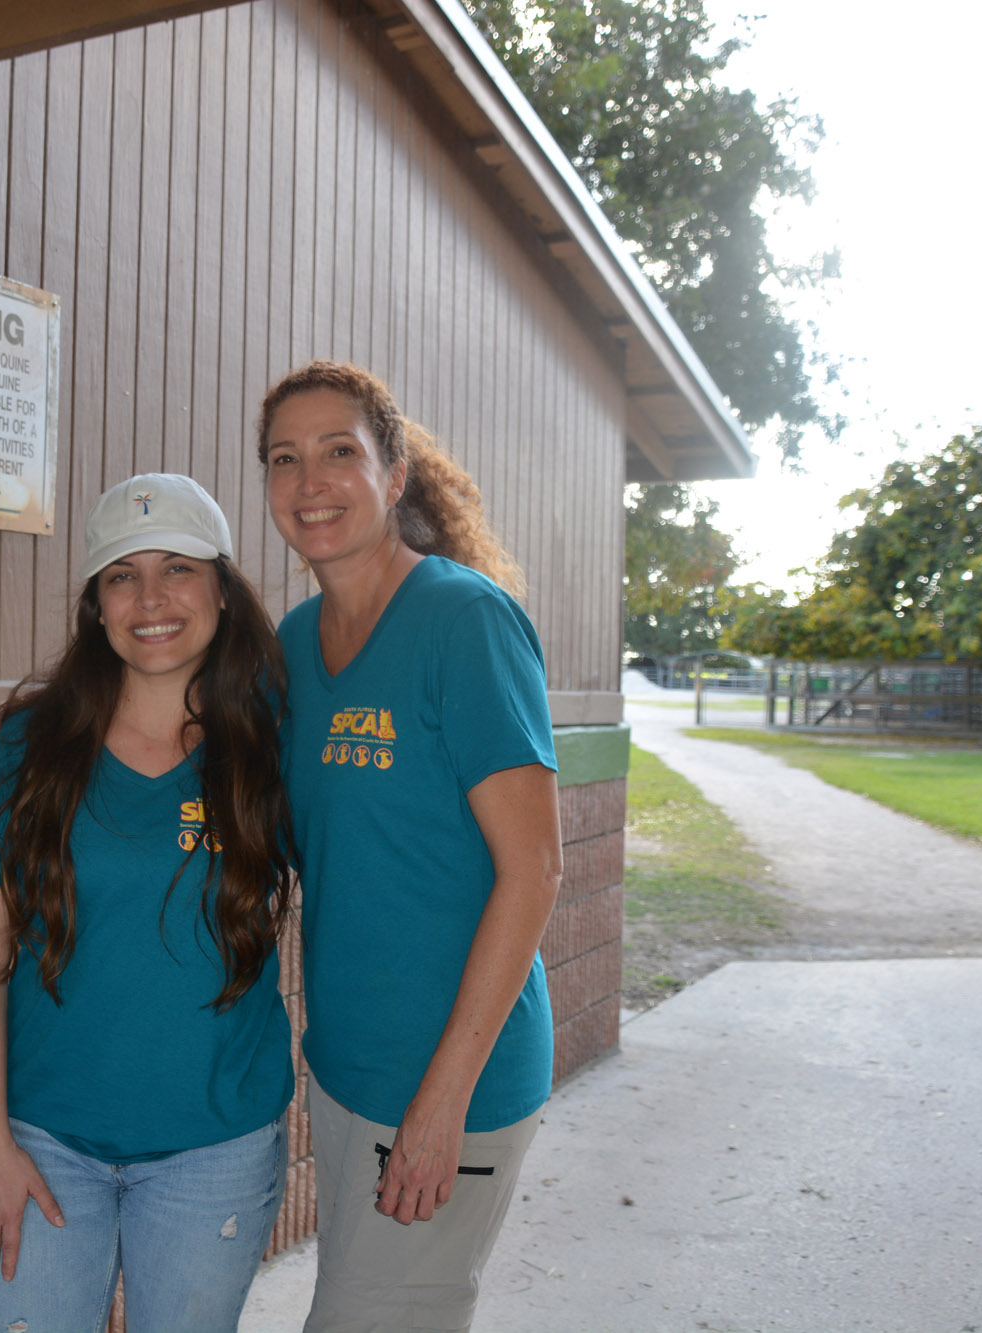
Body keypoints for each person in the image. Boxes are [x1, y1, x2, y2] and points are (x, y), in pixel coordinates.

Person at [0, 472, 296, 1332]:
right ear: (96, 606)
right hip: (46, 1142)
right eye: (121, 575)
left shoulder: (270, 742)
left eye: (177, 567)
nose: (151, 598)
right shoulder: (30, 746)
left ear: (221, 586)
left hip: (213, 1146)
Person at [257, 360, 564, 1330]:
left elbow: (533, 867)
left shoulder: (462, 621)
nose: (310, 482)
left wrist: (441, 1104)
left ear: (393, 474)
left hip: (451, 1078)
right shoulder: (293, 646)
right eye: (284, 458)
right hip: (349, 1066)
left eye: (338, 451)